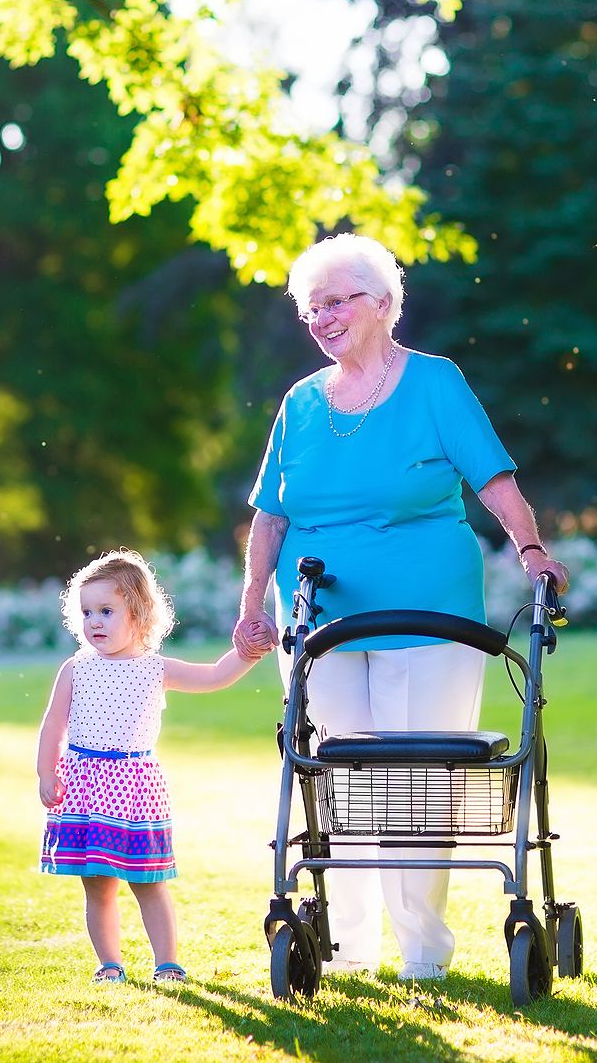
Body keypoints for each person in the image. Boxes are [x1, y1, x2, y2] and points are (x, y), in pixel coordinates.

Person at [232, 233, 570, 982]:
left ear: (383, 304)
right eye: (310, 307)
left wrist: (531, 550)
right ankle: (347, 948)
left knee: (415, 782)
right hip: (321, 623)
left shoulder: (435, 383)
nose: (322, 317)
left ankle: (423, 952)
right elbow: (271, 516)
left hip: (429, 616)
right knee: (336, 782)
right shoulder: (300, 404)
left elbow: (493, 478)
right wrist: (252, 602)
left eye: (338, 300)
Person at [37, 548, 266, 985]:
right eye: (87, 613)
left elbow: (214, 675)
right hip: (84, 785)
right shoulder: (76, 669)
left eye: (107, 610)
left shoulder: (154, 669)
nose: (95, 622)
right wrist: (46, 772)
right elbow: (53, 724)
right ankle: (109, 963)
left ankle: (167, 963)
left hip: (134, 787)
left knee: (148, 881)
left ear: (140, 614)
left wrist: (249, 653)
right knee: (97, 883)